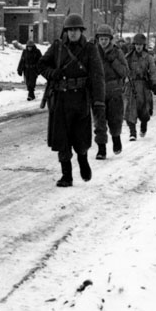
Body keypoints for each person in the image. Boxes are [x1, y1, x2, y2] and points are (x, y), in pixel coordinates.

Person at [38, 14, 105, 187]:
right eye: (69, 30)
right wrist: (52, 73)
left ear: (81, 31)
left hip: (81, 99)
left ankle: (83, 160)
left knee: (81, 137)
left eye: (76, 30)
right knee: (62, 139)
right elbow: (42, 64)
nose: (72, 33)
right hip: (60, 99)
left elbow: (97, 76)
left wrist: (98, 101)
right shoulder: (58, 47)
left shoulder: (90, 49)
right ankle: (66, 175)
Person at [93, 23, 128, 158]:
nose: (103, 41)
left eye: (106, 39)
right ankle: (101, 149)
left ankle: (116, 139)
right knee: (99, 122)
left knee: (115, 118)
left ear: (110, 39)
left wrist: (114, 61)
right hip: (98, 91)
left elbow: (125, 71)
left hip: (114, 91)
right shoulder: (93, 52)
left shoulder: (117, 52)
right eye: (101, 39)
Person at [123, 32, 156, 139]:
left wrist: (155, 84)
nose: (138, 47)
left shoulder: (148, 57)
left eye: (140, 44)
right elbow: (123, 71)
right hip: (131, 86)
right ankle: (132, 133)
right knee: (130, 109)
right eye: (137, 44)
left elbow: (153, 71)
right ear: (134, 45)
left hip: (144, 86)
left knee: (145, 109)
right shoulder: (128, 57)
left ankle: (143, 126)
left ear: (144, 45)